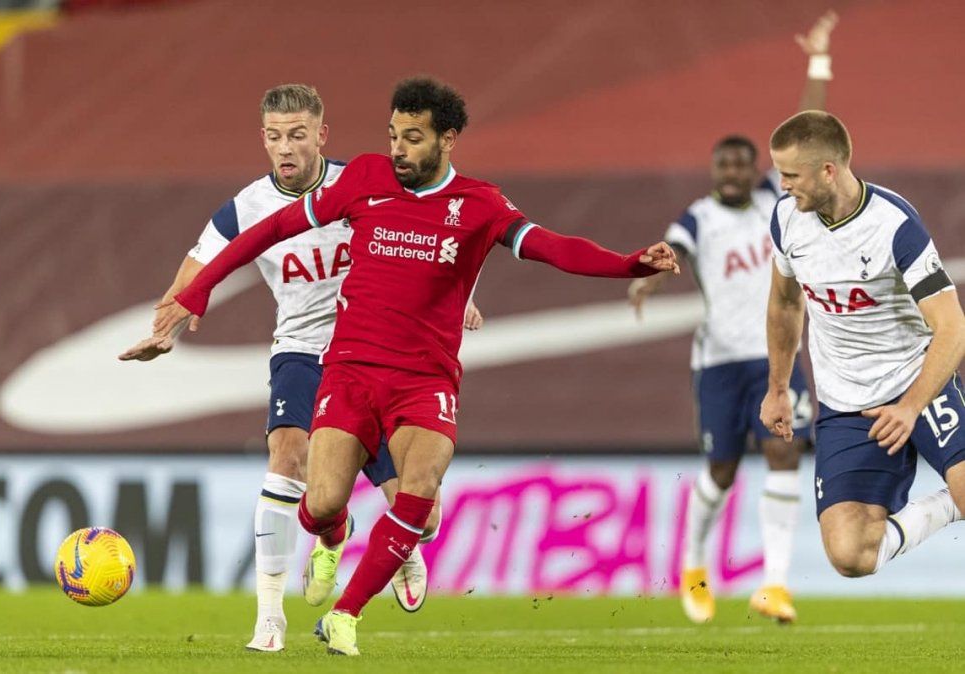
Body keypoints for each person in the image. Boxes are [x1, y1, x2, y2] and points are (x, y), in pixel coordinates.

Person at [149, 77, 679, 656]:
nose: (398, 149)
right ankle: (333, 537)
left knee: (422, 511)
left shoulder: (480, 204)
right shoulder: (367, 179)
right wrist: (196, 295)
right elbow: (273, 228)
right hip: (347, 368)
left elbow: (554, 247)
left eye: (413, 138)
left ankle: (347, 613)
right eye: (393, 135)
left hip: (423, 379)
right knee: (322, 502)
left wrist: (629, 265)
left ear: (447, 140)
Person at [118, 84, 472, 652]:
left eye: (299, 135)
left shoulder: (365, 180)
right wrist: (167, 326)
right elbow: (195, 269)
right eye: (276, 137)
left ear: (321, 136)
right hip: (302, 352)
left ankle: (397, 545)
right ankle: (270, 618)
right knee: (286, 456)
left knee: (422, 512)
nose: (287, 148)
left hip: (379, 352)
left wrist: (458, 297)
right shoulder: (245, 207)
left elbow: (441, 230)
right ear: (263, 139)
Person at [628, 10, 838, 624]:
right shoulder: (700, 216)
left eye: (741, 165)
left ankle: (774, 584)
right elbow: (673, 249)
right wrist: (646, 278)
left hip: (777, 354)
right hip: (720, 359)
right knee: (719, 472)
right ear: (713, 172)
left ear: (757, 169)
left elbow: (815, 129)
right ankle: (694, 563)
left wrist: (818, 61)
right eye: (722, 166)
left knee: (785, 453)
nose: (731, 174)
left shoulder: (780, 198)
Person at [760, 110, 965, 584]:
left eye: (790, 174)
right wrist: (777, 388)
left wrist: (911, 407)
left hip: (918, 385)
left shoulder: (895, 225)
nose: (782, 184)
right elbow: (785, 304)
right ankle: (948, 508)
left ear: (828, 169)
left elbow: (952, 326)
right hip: (846, 402)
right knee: (851, 555)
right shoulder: (786, 219)